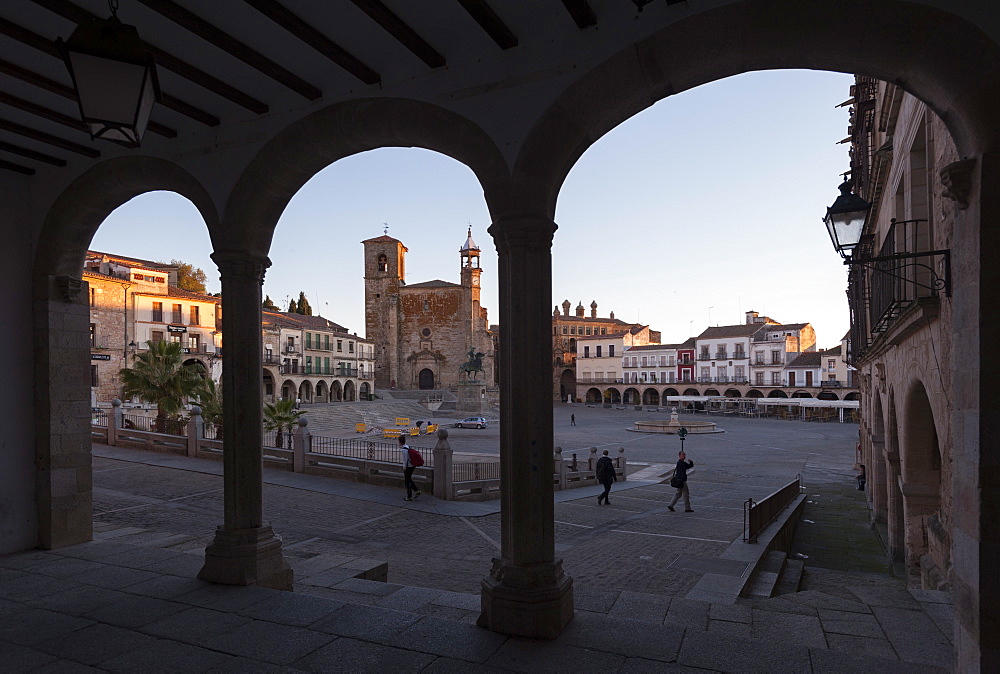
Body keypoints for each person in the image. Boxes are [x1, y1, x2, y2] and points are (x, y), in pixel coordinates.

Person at [399, 435, 421, 501]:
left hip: (408, 467)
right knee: (409, 480)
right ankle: (416, 490)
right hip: (412, 465)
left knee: (407, 482)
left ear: (400, 442)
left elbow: (405, 459)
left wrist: (404, 467)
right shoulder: (407, 446)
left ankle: (409, 496)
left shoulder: (403, 450)